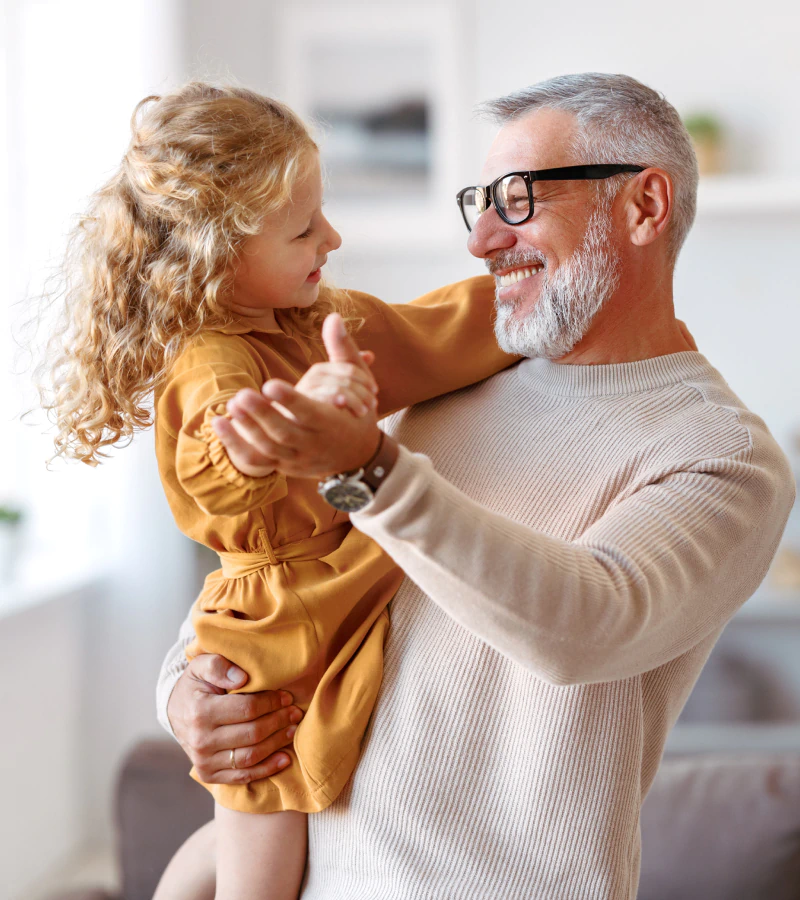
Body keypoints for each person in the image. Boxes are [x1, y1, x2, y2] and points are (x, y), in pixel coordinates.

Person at [158, 74, 795, 899]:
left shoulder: (721, 454)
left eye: (520, 199)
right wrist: (185, 690)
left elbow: (585, 625)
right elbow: (287, 566)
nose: (483, 239)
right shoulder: (439, 386)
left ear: (644, 207)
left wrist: (367, 468)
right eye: (480, 201)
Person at [36, 82, 519, 900]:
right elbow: (221, 470)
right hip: (273, 627)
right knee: (261, 847)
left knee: (252, 844)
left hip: (338, 577)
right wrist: (302, 420)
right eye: (304, 229)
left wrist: (531, 299)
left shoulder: (316, 321)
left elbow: (431, 334)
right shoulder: (214, 361)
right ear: (217, 254)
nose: (331, 236)